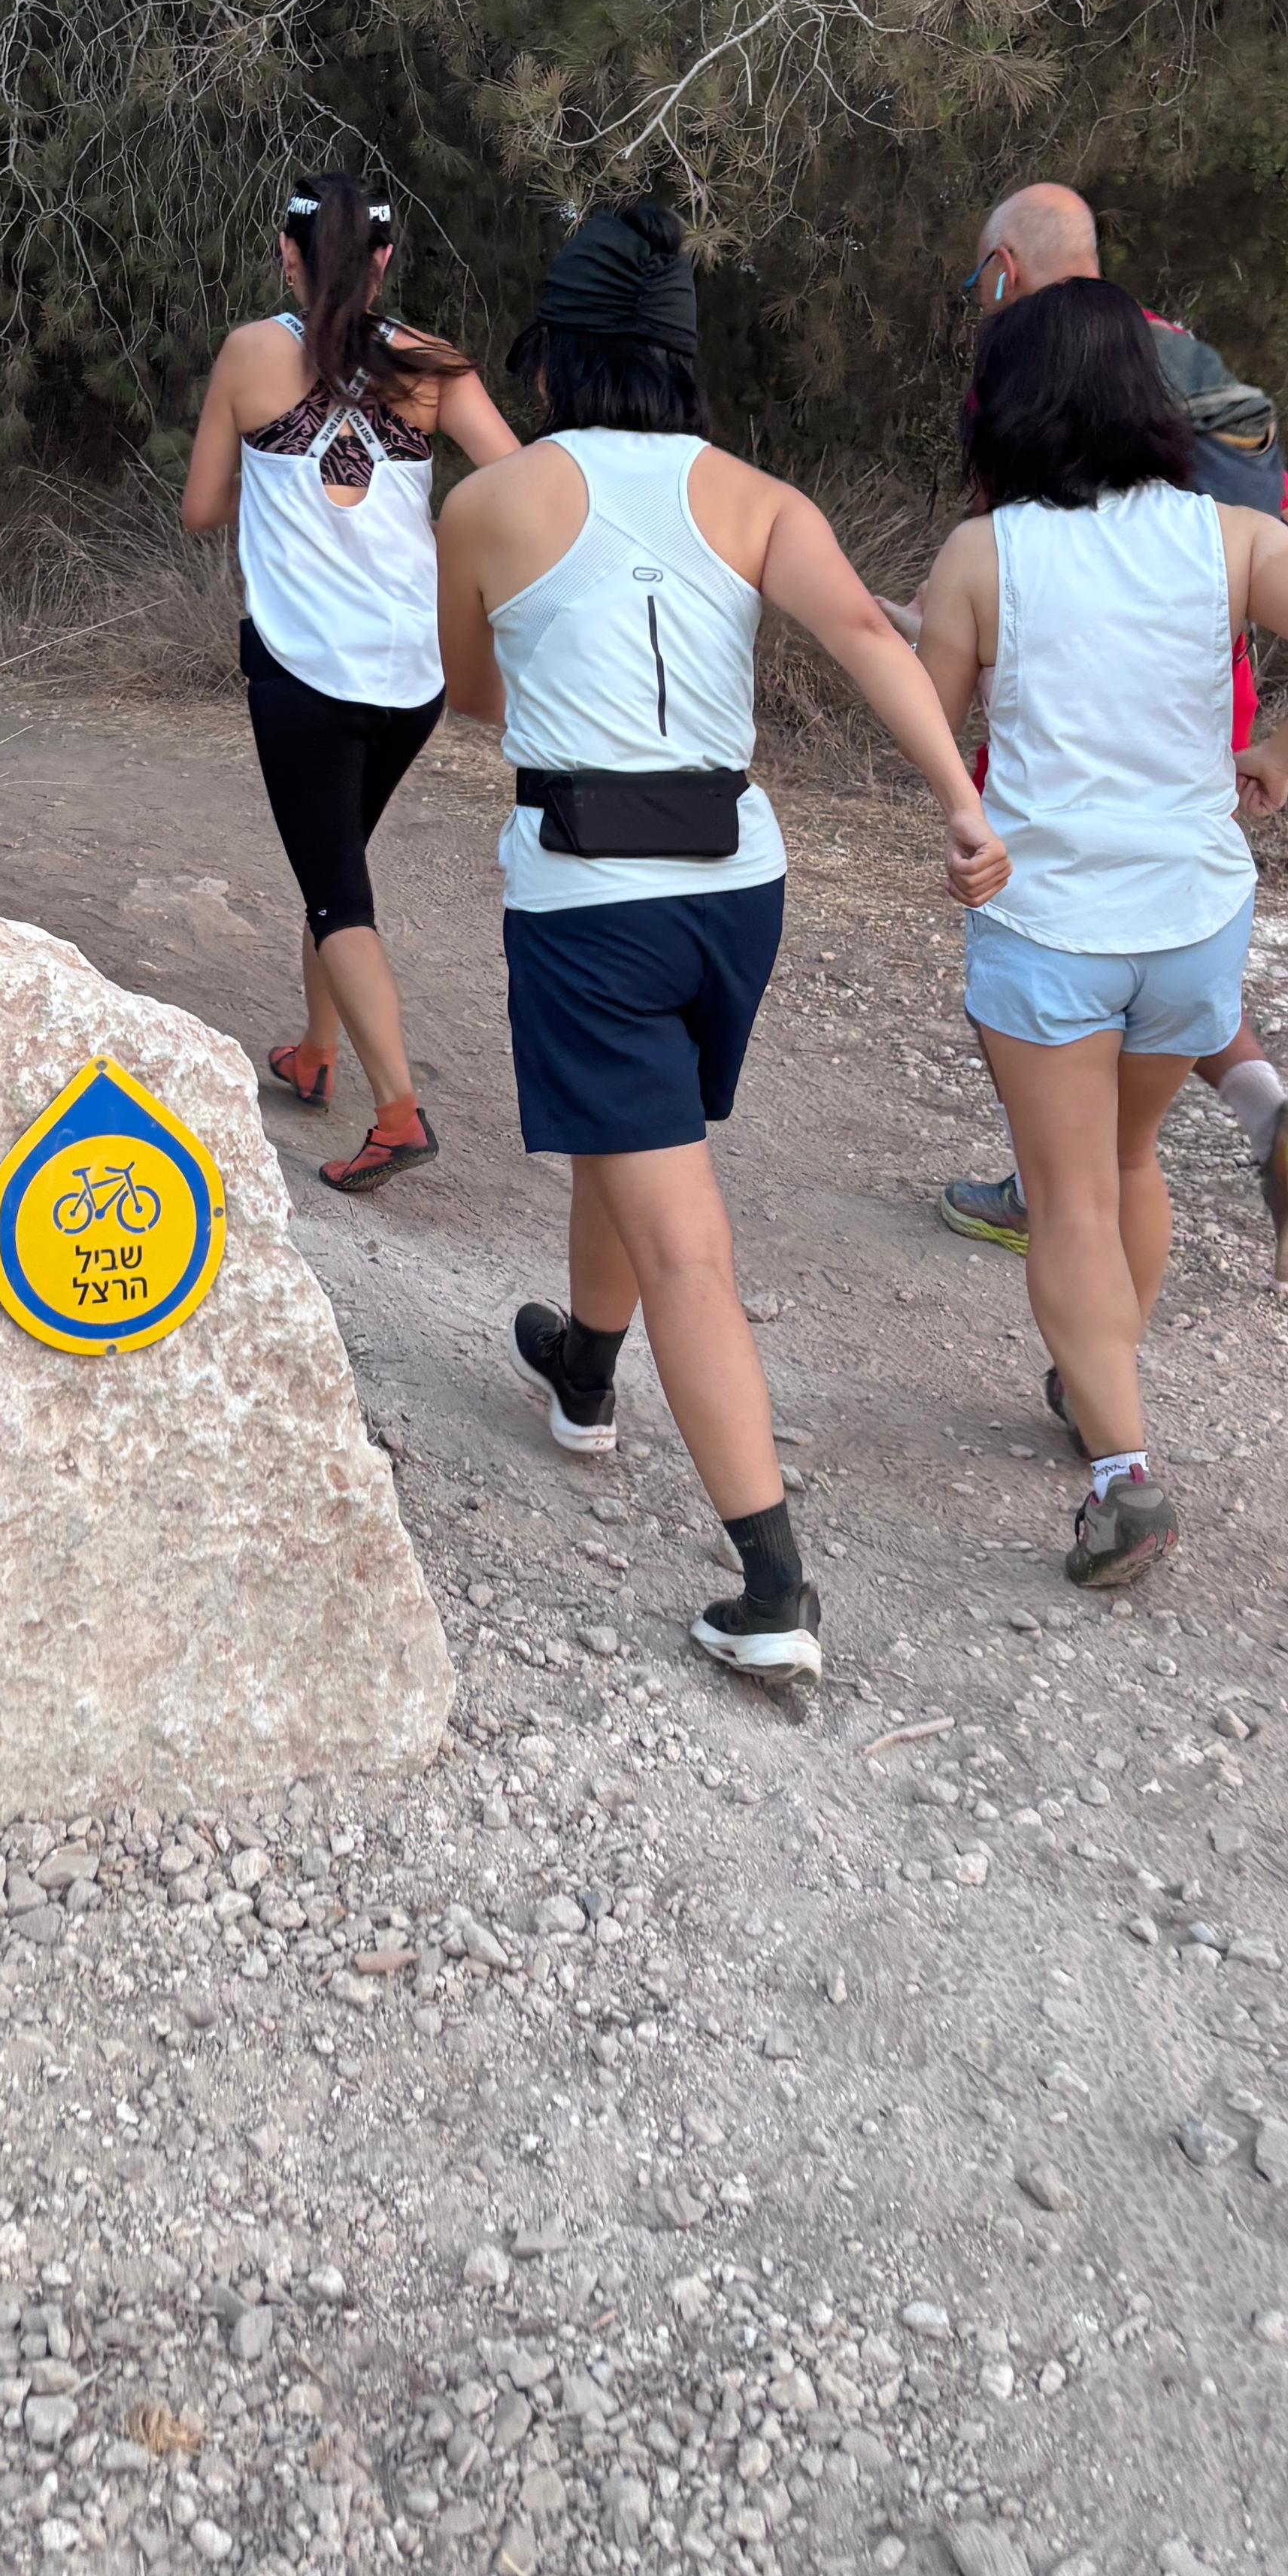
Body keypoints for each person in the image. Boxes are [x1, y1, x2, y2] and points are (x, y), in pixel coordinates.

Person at [437, 201, 1009, 1691]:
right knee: (643, 1137)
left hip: (590, 897)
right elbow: (871, 639)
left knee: (683, 1230)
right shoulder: (760, 499)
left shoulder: (490, 502)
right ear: (684, 362)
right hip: (735, 887)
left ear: (554, 355)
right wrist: (962, 809)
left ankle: (773, 1585)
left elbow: (474, 695)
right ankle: (584, 1368)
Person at [917, 279, 1288, 1589]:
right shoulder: (1232, 538)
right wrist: (1277, 757)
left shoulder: (983, 554)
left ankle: (1125, 1474)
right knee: (1129, 1162)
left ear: (1010, 404)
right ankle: (1095, 1387)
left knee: (1064, 1194)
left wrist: (967, 814)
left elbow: (934, 730)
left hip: (1051, 920)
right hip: (1193, 918)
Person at [921, 183, 1288, 1285]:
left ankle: (1051, 1194)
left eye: (977, 280)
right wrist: (1278, 748)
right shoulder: (1178, 355)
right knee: (1162, 923)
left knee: (1065, 936)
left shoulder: (1024, 360)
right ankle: (1268, 1118)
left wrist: (941, 631)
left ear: (1005, 270)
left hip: (1065, 684)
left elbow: (1002, 548)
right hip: (1203, 680)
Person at [182, 171, 518, 1194]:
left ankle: (399, 1113)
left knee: (337, 890)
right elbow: (520, 486)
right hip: (414, 673)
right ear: (383, 260)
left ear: (287, 255)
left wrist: (277, 482)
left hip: (304, 670)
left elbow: (200, 509)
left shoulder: (251, 354)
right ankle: (316, 1051)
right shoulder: (432, 364)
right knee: (337, 859)